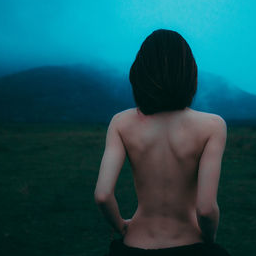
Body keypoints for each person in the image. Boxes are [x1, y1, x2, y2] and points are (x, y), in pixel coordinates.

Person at [94, 29, 230, 256]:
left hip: (135, 243)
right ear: (188, 73)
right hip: (189, 243)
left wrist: (120, 226)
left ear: (141, 72)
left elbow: (102, 194)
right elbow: (205, 209)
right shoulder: (212, 126)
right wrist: (209, 240)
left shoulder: (121, 122)